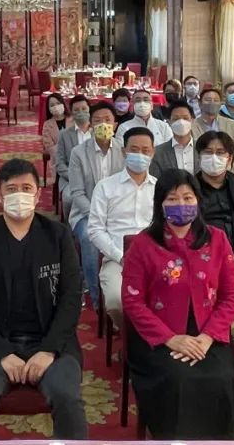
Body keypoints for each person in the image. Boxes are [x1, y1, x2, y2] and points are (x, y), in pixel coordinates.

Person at [0, 159, 86, 440]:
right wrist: (3, 353)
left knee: (67, 396)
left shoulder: (58, 235)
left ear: (38, 194)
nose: (20, 194)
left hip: (52, 343)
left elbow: (71, 297)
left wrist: (49, 350)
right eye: (11, 188)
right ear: (0, 193)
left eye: (26, 188)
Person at [122, 169, 234, 439]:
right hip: (158, 338)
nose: (181, 204)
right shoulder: (143, 244)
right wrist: (171, 339)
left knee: (224, 379)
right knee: (180, 380)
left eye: (188, 198)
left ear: (198, 201)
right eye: (172, 199)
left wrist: (207, 337)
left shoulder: (217, 239)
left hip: (208, 334)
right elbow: (132, 301)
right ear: (160, 204)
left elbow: (231, 295)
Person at [88, 127, 157, 325]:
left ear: (153, 153)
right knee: (116, 302)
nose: (140, 155)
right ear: (123, 151)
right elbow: (95, 229)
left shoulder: (159, 188)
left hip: (153, 259)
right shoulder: (106, 186)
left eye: (145, 150)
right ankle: (128, 334)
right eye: (134, 150)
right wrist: (120, 256)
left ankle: (149, 335)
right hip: (116, 259)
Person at [66, 102, 125, 310]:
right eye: (98, 121)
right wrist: (96, 214)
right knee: (88, 238)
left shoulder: (124, 150)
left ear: (115, 124)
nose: (103, 125)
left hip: (118, 211)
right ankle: (96, 295)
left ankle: (128, 290)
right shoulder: (78, 153)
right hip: (86, 212)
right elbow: (77, 192)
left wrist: (113, 213)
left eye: (107, 120)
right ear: (90, 124)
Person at [53, 94, 92, 202]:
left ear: (89, 109)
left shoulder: (98, 132)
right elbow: (60, 163)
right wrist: (74, 177)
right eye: (76, 110)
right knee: (69, 198)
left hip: (96, 177)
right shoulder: (64, 135)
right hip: (71, 179)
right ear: (71, 113)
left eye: (84, 109)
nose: (81, 112)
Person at [150, 100, 196, 176]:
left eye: (185, 118)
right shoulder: (158, 153)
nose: (181, 122)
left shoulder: (202, 149)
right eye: (176, 119)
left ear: (192, 120)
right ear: (169, 122)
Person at [41, 93, 68, 182]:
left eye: (58, 103)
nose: (56, 107)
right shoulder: (47, 125)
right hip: (57, 158)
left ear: (63, 104)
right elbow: (49, 146)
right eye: (52, 105)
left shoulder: (73, 120)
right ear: (49, 109)